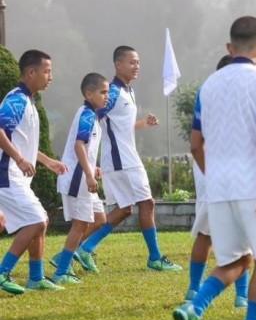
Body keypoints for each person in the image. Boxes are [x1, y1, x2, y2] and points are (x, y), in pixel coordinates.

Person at [174, 16, 256, 320]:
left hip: (219, 188)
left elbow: (195, 144)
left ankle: (194, 308)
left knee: (236, 261)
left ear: (229, 47)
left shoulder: (207, 87)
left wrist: (216, 176)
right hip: (254, 185)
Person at [68, 46, 181, 273]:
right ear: (118, 65)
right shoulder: (113, 93)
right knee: (147, 203)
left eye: (138, 62)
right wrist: (90, 159)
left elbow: (120, 126)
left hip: (123, 159)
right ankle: (155, 258)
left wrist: (142, 124)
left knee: (124, 210)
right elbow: (93, 118)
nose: (136, 66)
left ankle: (85, 248)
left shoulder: (128, 91)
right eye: (131, 62)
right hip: (122, 161)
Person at [0, 50, 68, 294]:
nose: (51, 77)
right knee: (37, 220)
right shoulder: (17, 100)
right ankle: (2, 272)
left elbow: (22, 140)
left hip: (14, 175)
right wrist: (18, 159)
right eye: (47, 71)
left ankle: (36, 278)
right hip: (6, 175)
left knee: (41, 221)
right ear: (31, 72)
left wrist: (47, 161)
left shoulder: (28, 101)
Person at [183, 55, 249, 308]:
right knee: (241, 233)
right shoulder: (237, 99)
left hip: (208, 168)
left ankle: (193, 289)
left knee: (206, 233)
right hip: (223, 168)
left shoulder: (207, 94)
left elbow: (196, 142)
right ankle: (242, 295)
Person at [50, 73, 109, 285]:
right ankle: (62, 271)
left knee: (100, 220)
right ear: (88, 93)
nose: (106, 96)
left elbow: (85, 149)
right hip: (77, 180)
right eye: (103, 92)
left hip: (84, 177)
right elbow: (79, 145)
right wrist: (88, 173)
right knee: (80, 225)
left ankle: (63, 257)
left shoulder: (91, 114)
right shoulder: (86, 114)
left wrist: (94, 167)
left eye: (108, 92)